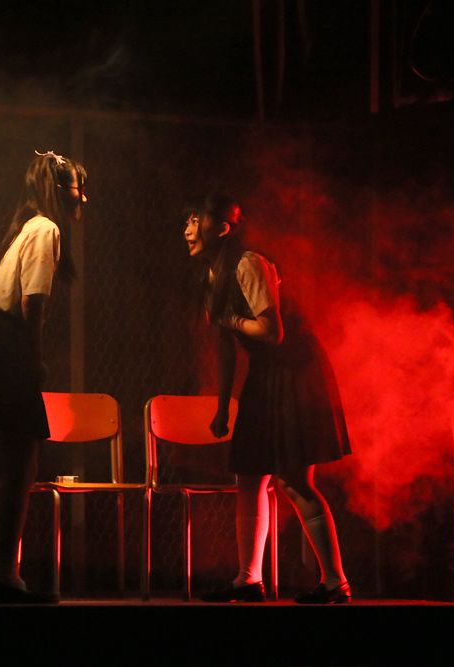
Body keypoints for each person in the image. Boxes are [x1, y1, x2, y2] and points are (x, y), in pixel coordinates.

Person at [183, 193, 353, 604]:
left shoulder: (249, 263)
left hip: (295, 372)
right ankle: (248, 581)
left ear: (222, 228)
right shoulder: (212, 275)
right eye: (187, 221)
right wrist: (222, 406)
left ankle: (336, 583)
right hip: (265, 374)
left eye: (196, 221)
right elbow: (226, 346)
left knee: (295, 480)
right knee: (249, 477)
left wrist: (230, 318)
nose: (187, 229)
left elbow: (272, 332)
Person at [0, 150, 86, 604]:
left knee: (0, 472)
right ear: (59, 190)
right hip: (6, 345)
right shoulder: (45, 229)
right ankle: (5, 576)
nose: (83, 196)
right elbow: (33, 302)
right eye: (78, 187)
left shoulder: (25, 228)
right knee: (19, 468)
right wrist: (34, 358)